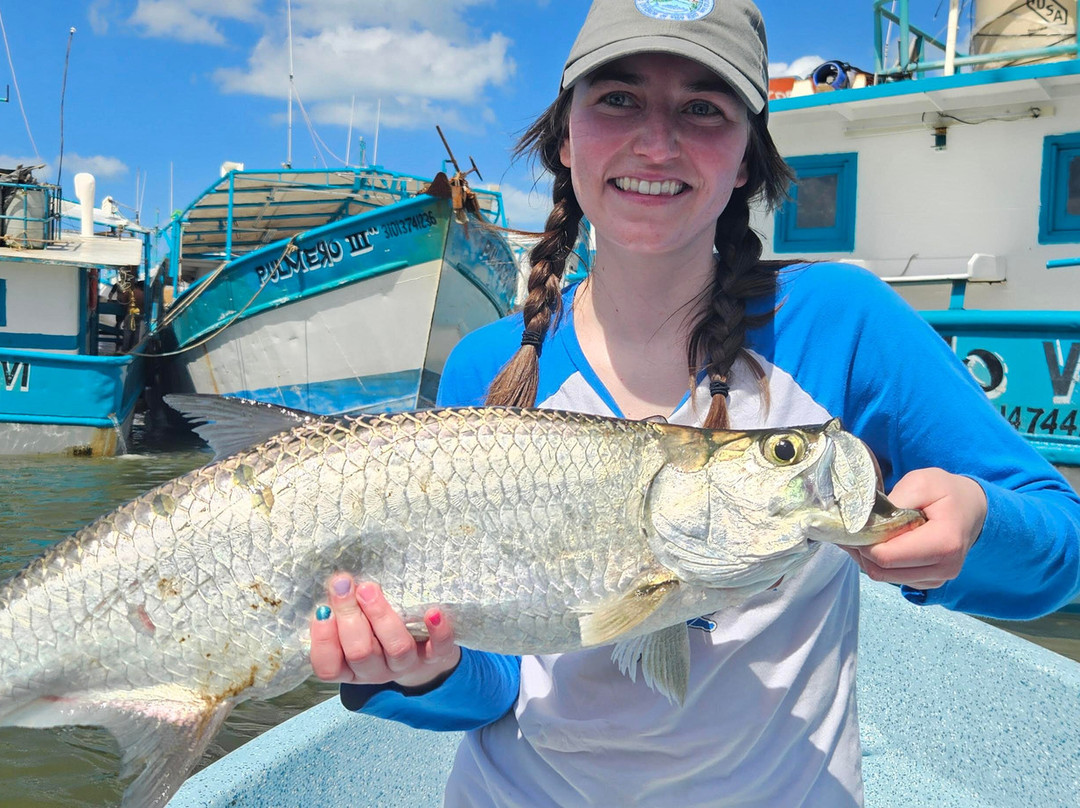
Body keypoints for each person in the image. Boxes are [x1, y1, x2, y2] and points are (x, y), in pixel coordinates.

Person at [309, 1, 1080, 804]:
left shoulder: (845, 322)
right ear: (564, 137)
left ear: (748, 155)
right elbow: (498, 686)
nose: (657, 140)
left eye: (703, 109)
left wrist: (977, 526)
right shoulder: (490, 367)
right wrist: (414, 671)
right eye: (618, 99)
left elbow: (1060, 544)